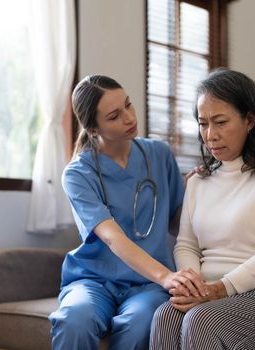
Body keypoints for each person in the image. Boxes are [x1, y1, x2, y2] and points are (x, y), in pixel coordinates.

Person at [150, 68, 255, 350]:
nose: (210, 135)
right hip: (213, 292)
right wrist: (194, 284)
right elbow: (186, 244)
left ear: (249, 120)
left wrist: (219, 289)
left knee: (201, 321)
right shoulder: (199, 181)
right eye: (203, 124)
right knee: (165, 316)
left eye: (220, 122)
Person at [49, 75, 206, 350]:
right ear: (93, 128)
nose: (129, 117)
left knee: (142, 321)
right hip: (94, 280)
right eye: (114, 116)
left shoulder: (159, 154)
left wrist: (197, 189)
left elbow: (176, 221)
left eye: (128, 105)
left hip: (147, 285)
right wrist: (166, 277)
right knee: (75, 319)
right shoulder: (78, 174)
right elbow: (113, 238)